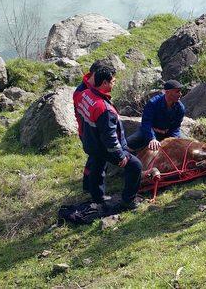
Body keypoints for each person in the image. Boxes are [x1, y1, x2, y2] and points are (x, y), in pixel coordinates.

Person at [75, 65, 143, 209]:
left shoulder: (85, 94)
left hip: (91, 142)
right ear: (104, 83)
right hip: (103, 146)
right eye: (112, 81)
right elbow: (110, 137)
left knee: (97, 166)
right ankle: (128, 200)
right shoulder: (104, 109)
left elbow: (82, 116)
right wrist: (120, 156)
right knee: (135, 165)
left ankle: (97, 197)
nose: (114, 83)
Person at [73, 59, 113, 192]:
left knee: (94, 159)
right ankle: (93, 188)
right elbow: (84, 114)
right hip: (88, 131)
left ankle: (89, 186)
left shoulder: (90, 88)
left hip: (92, 130)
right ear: (94, 74)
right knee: (97, 160)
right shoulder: (81, 91)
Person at [126, 80, 186, 152]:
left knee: (186, 146)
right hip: (151, 131)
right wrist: (152, 138)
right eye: (177, 92)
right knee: (127, 143)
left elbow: (176, 127)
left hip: (168, 133)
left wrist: (173, 140)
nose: (180, 94)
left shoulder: (180, 107)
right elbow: (146, 123)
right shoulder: (153, 103)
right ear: (167, 92)